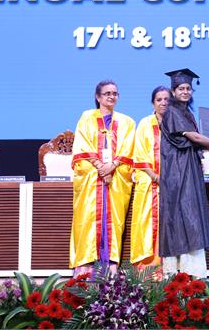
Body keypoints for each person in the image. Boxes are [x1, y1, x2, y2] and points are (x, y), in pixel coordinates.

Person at [158, 68, 209, 278]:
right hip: (178, 172)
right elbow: (195, 138)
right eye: (181, 88)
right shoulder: (173, 112)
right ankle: (185, 272)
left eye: (188, 88)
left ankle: (188, 271)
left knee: (187, 215)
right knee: (185, 215)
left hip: (186, 168)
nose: (185, 92)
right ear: (173, 91)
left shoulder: (185, 112)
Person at [69, 80, 135, 276]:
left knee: (114, 221)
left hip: (116, 178)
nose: (111, 97)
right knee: (87, 220)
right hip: (91, 177)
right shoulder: (86, 117)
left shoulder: (127, 122)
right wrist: (100, 168)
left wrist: (111, 167)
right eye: (107, 93)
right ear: (98, 97)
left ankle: (111, 268)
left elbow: (128, 149)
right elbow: (82, 146)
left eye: (115, 93)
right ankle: (86, 269)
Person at [130, 86, 171, 270]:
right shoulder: (145, 123)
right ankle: (146, 268)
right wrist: (155, 176)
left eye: (166, 99)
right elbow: (139, 154)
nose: (163, 103)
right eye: (159, 99)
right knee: (145, 222)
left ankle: (168, 267)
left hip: (171, 182)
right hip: (148, 179)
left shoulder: (175, 123)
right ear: (153, 103)